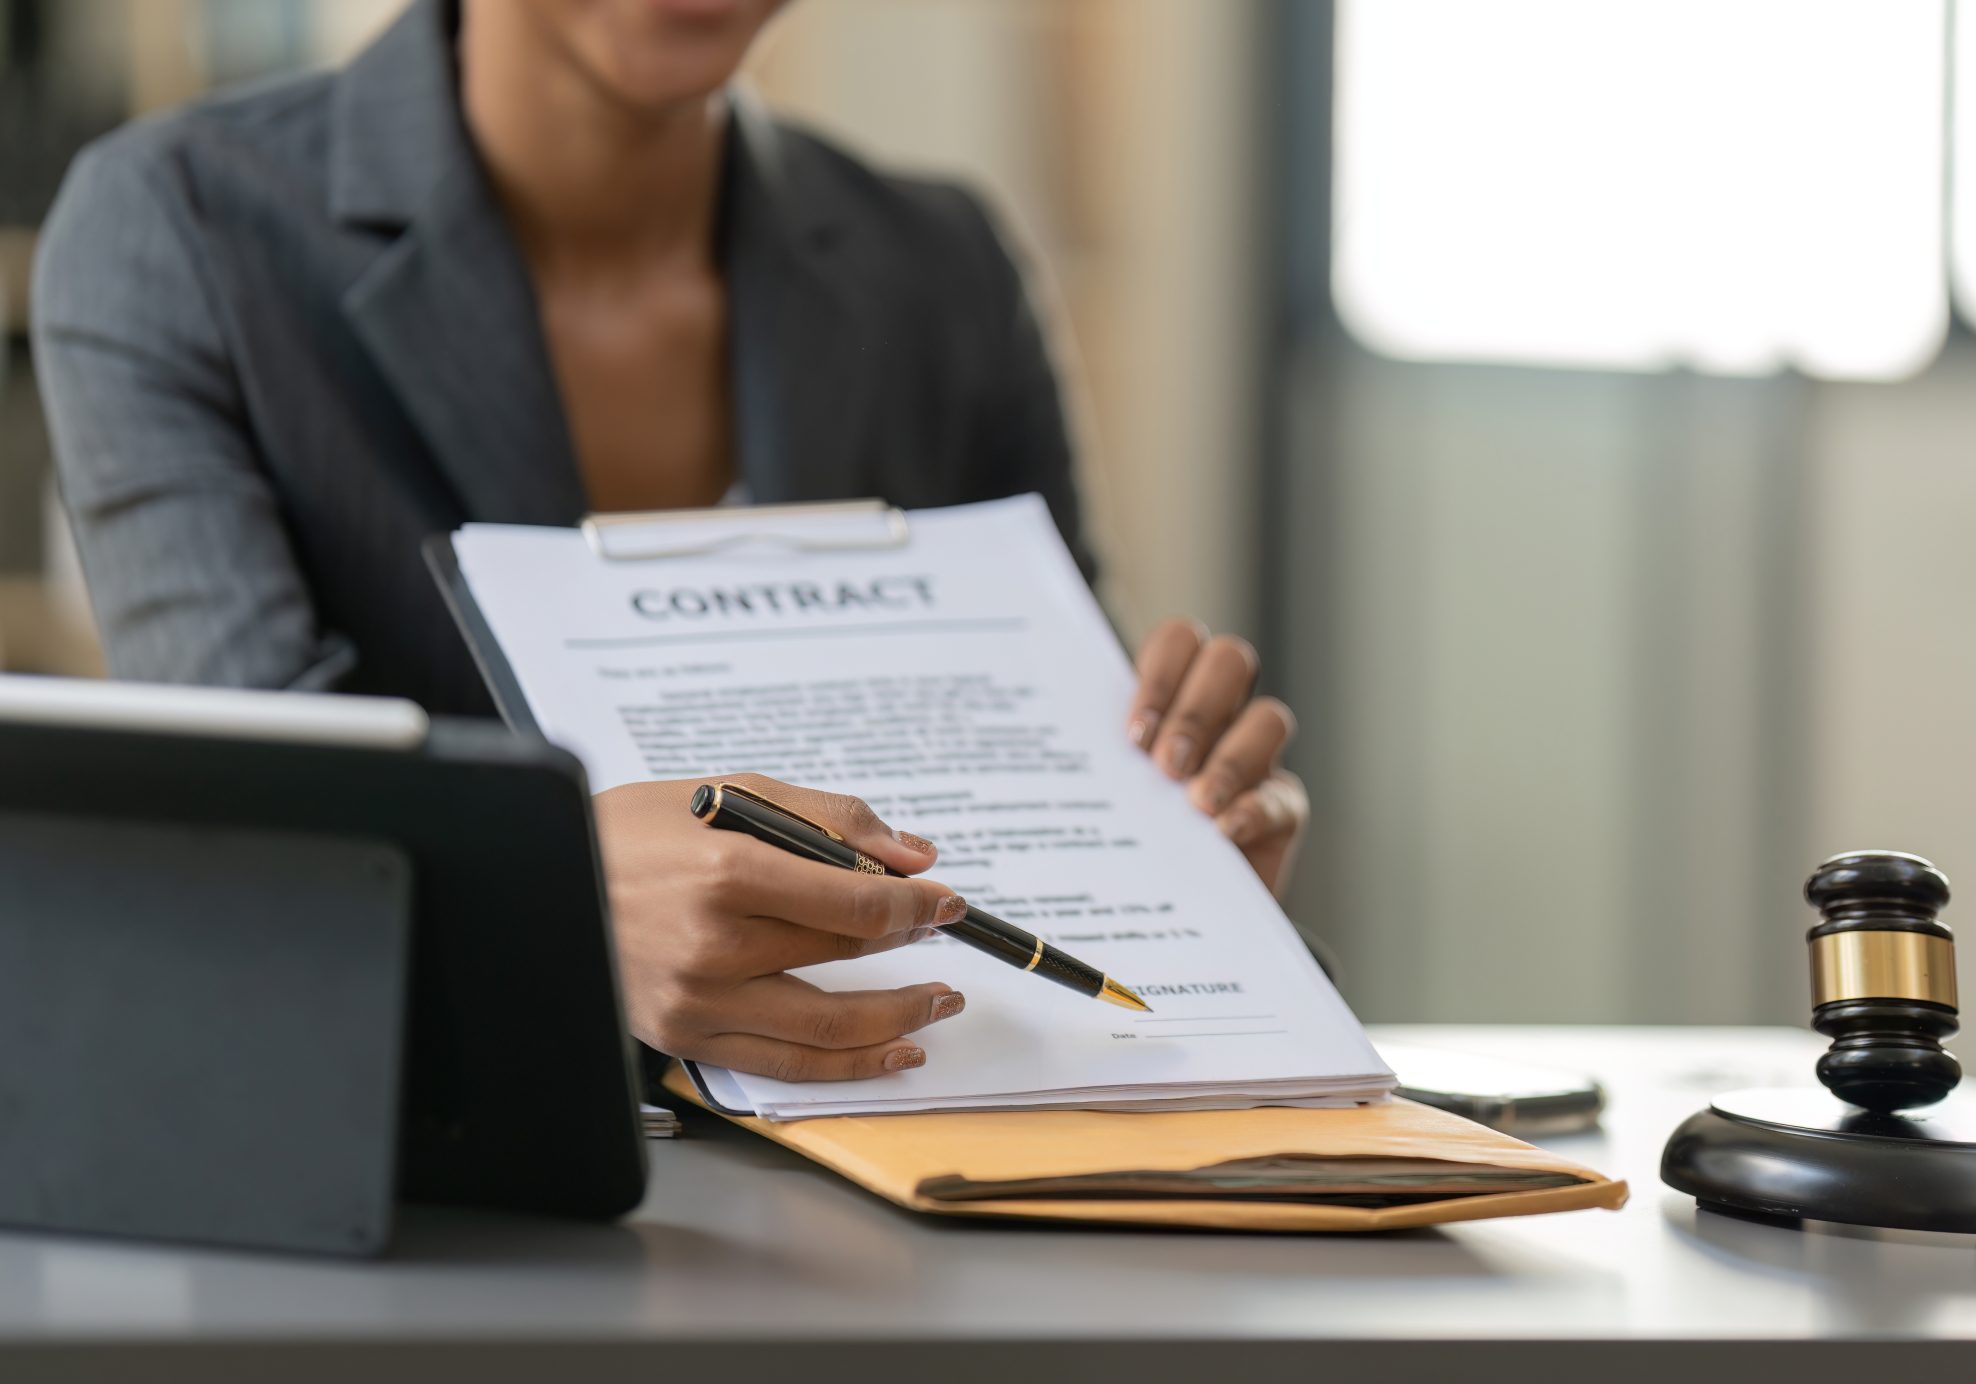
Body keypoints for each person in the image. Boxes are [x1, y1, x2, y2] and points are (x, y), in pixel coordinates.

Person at [32, 0, 1307, 1085]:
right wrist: (561, 911)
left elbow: (1042, 769)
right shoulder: (180, 230)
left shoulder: (944, 268)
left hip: (916, 1161)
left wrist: (1177, 849)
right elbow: (269, 833)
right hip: (438, 1188)